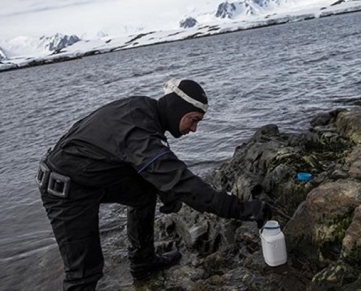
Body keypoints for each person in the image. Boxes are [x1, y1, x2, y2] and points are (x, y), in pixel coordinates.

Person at [36, 79, 272, 290]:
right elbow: (184, 184)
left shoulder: (143, 109)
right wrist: (241, 209)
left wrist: (164, 188)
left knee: (144, 191)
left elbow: (143, 166)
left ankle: (143, 264)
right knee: (84, 273)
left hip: (91, 174)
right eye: (194, 120)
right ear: (179, 109)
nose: (194, 129)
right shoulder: (140, 130)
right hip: (66, 189)